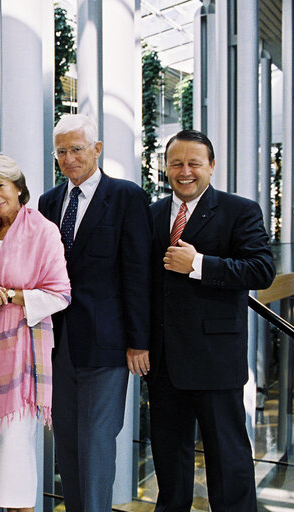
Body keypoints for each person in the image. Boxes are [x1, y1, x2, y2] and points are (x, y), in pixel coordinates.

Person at [148, 129, 275, 511]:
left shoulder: (240, 210)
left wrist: (199, 264)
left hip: (215, 358)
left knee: (228, 461)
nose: (184, 171)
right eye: (176, 163)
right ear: (165, 168)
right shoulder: (151, 213)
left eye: (193, 164)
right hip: (163, 360)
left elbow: (261, 270)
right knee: (169, 463)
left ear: (211, 167)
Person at [37, 114, 152, 512]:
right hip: (57, 344)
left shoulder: (127, 197)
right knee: (66, 441)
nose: (69, 159)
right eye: (62, 152)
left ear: (97, 150)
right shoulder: (49, 202)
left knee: (97, 442)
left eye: (77, 149)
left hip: (108, 344)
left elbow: (138, 274)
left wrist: (139, 342)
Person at [0, 155, 71, 512]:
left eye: (1, 186)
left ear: (19, 188)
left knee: (16, 459)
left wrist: (8, 294)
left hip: (22, 359)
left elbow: (60, 294)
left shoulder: (43, 231)